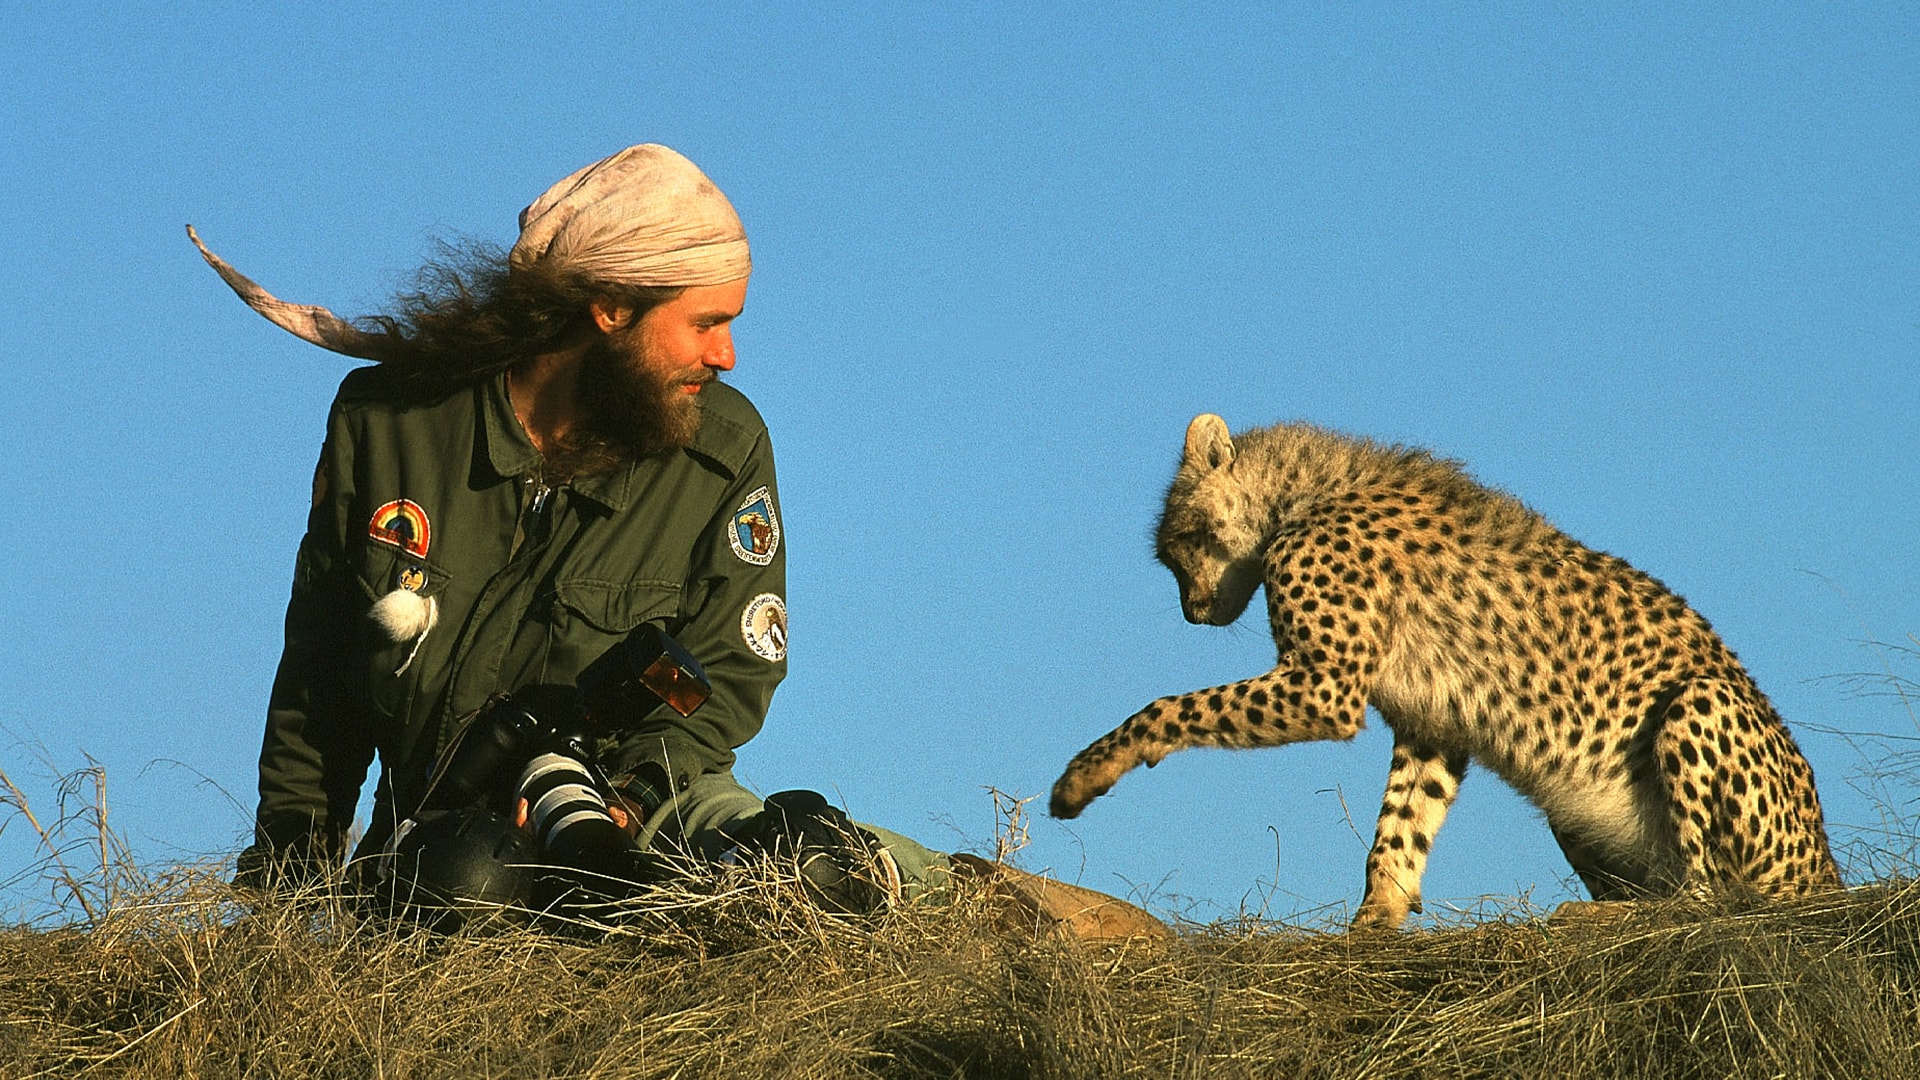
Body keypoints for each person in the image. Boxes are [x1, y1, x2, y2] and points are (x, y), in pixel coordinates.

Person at [196, 144, 1165, 938]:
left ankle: (986, 909)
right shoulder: (387, 425)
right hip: (447, 838)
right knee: (465, 891)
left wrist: (621, 795)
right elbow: (319, 687)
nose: (726, 355)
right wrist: (286, 893)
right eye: (704, 323)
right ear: (609, 308)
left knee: (807, 871)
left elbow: (731, 677)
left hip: (649, 806)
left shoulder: (726, 450)